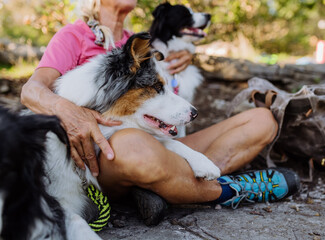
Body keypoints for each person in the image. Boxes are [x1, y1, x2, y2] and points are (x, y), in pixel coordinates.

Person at [21, 0, 300, 226]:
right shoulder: (73, 36)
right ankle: (225, 190)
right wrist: (69, 112)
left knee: (261, 120)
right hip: (105, 157)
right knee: (133, 146)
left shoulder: (141, 42)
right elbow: (31, 91)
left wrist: (185, 58)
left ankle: (164, 187)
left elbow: (163, 96)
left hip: (157, 141)